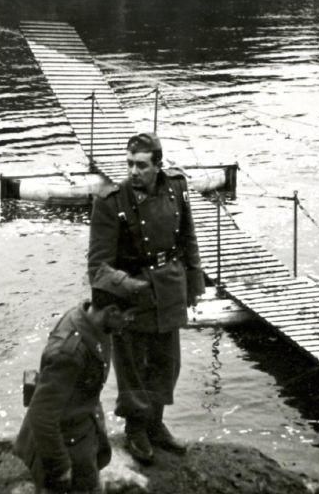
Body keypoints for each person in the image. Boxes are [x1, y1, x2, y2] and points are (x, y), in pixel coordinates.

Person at [88, 133, 204, 465]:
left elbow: (188, 238)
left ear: (158, 165)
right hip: (130, 298)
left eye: (141, 165)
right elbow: (98, 267)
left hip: (169, 287)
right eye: (129, 164)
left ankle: (156, 424)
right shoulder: (111, 202)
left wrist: (194, 285)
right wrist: (129, 287)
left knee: (167, 364)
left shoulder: (176, 189)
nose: (133, 171)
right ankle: (136, 430)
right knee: (134, 367)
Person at [14, 291, 136, 494]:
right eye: (129, 315)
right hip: (66, 448)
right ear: (112, 311)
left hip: (81, 433)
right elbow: (41, 415)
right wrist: (60, 467)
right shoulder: (70, 353)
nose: (130, 320)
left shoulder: (85, 319)